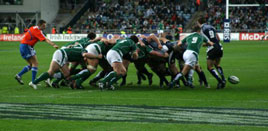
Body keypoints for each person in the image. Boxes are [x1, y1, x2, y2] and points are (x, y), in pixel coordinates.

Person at [29, 47, 101, 89]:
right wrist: (97, 57)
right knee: (51, 71)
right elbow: (85, 54)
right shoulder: (84, 51)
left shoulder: (81, 56)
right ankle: (34, 82)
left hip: (63, 56)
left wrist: (82, 70)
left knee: (67, 73)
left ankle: (50, 77)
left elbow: (83, 67)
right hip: (62, 54)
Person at [15, 20, 59, 86]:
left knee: (31, 64)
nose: (45, 27)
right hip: (27, 46)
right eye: (44, 25)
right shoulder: (37, 31)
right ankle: (33, 81)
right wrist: (53, 44)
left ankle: (19, 75)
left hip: (23, 45)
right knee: (35, 63)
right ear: (40, 25)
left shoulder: (33, 27)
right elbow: (45, 39)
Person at [197, 17, 226, 89]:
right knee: (217, 64)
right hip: (219, 47)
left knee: (209, 67)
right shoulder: (212, 27)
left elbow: (207, 41)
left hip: (212, 48)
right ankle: (223, 79)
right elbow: (218, 39)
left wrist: (204, 44)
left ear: (198, 22)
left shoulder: (202, 30)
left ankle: (220, 81)